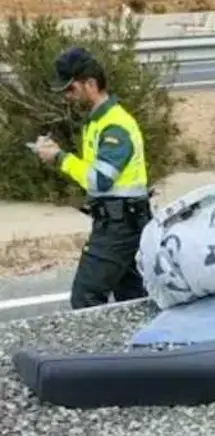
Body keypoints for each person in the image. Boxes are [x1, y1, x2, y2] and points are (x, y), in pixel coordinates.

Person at [33, 46, 152, 309]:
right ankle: (143, 348)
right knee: (134, 301)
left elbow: (99, 180)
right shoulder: (97, 122)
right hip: (121, 221)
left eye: (70, 89)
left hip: (119, 226)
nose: (66, 96)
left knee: (85, 298)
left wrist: (60, 158)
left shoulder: (114, 125)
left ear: (90, 84)